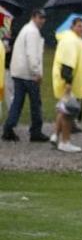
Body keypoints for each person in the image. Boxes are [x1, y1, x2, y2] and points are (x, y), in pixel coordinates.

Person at [2, 8, 48, 142]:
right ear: (33, 17)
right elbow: (31, 54)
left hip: (18, 72)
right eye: (40, 17)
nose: (42, 21)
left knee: (17, 103)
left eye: (44, 18)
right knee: (36, 104)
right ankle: (36, 132)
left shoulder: (26, 29)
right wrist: (37, 72)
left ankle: (8, 129)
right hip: (28, 74)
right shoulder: (33, 32)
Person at [51, 16, 82, 152]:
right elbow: (67, 64)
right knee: (68, 113)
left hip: (70, 82)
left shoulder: (73, 39)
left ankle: (55, 135)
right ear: (72, 26)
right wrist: (68, 82)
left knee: (63, 110)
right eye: (79, 26)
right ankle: (65, 142)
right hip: (70, 84)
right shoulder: (70, 40)